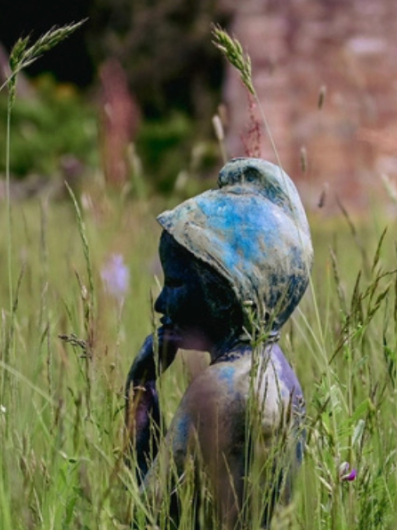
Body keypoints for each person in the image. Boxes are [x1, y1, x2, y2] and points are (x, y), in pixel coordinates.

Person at [125, 158, 313, 529]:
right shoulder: (276, 370)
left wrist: (141, 389)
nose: (161, 303)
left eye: (176, 284)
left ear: (226, 294)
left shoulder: (220, 388)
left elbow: (145, 516)